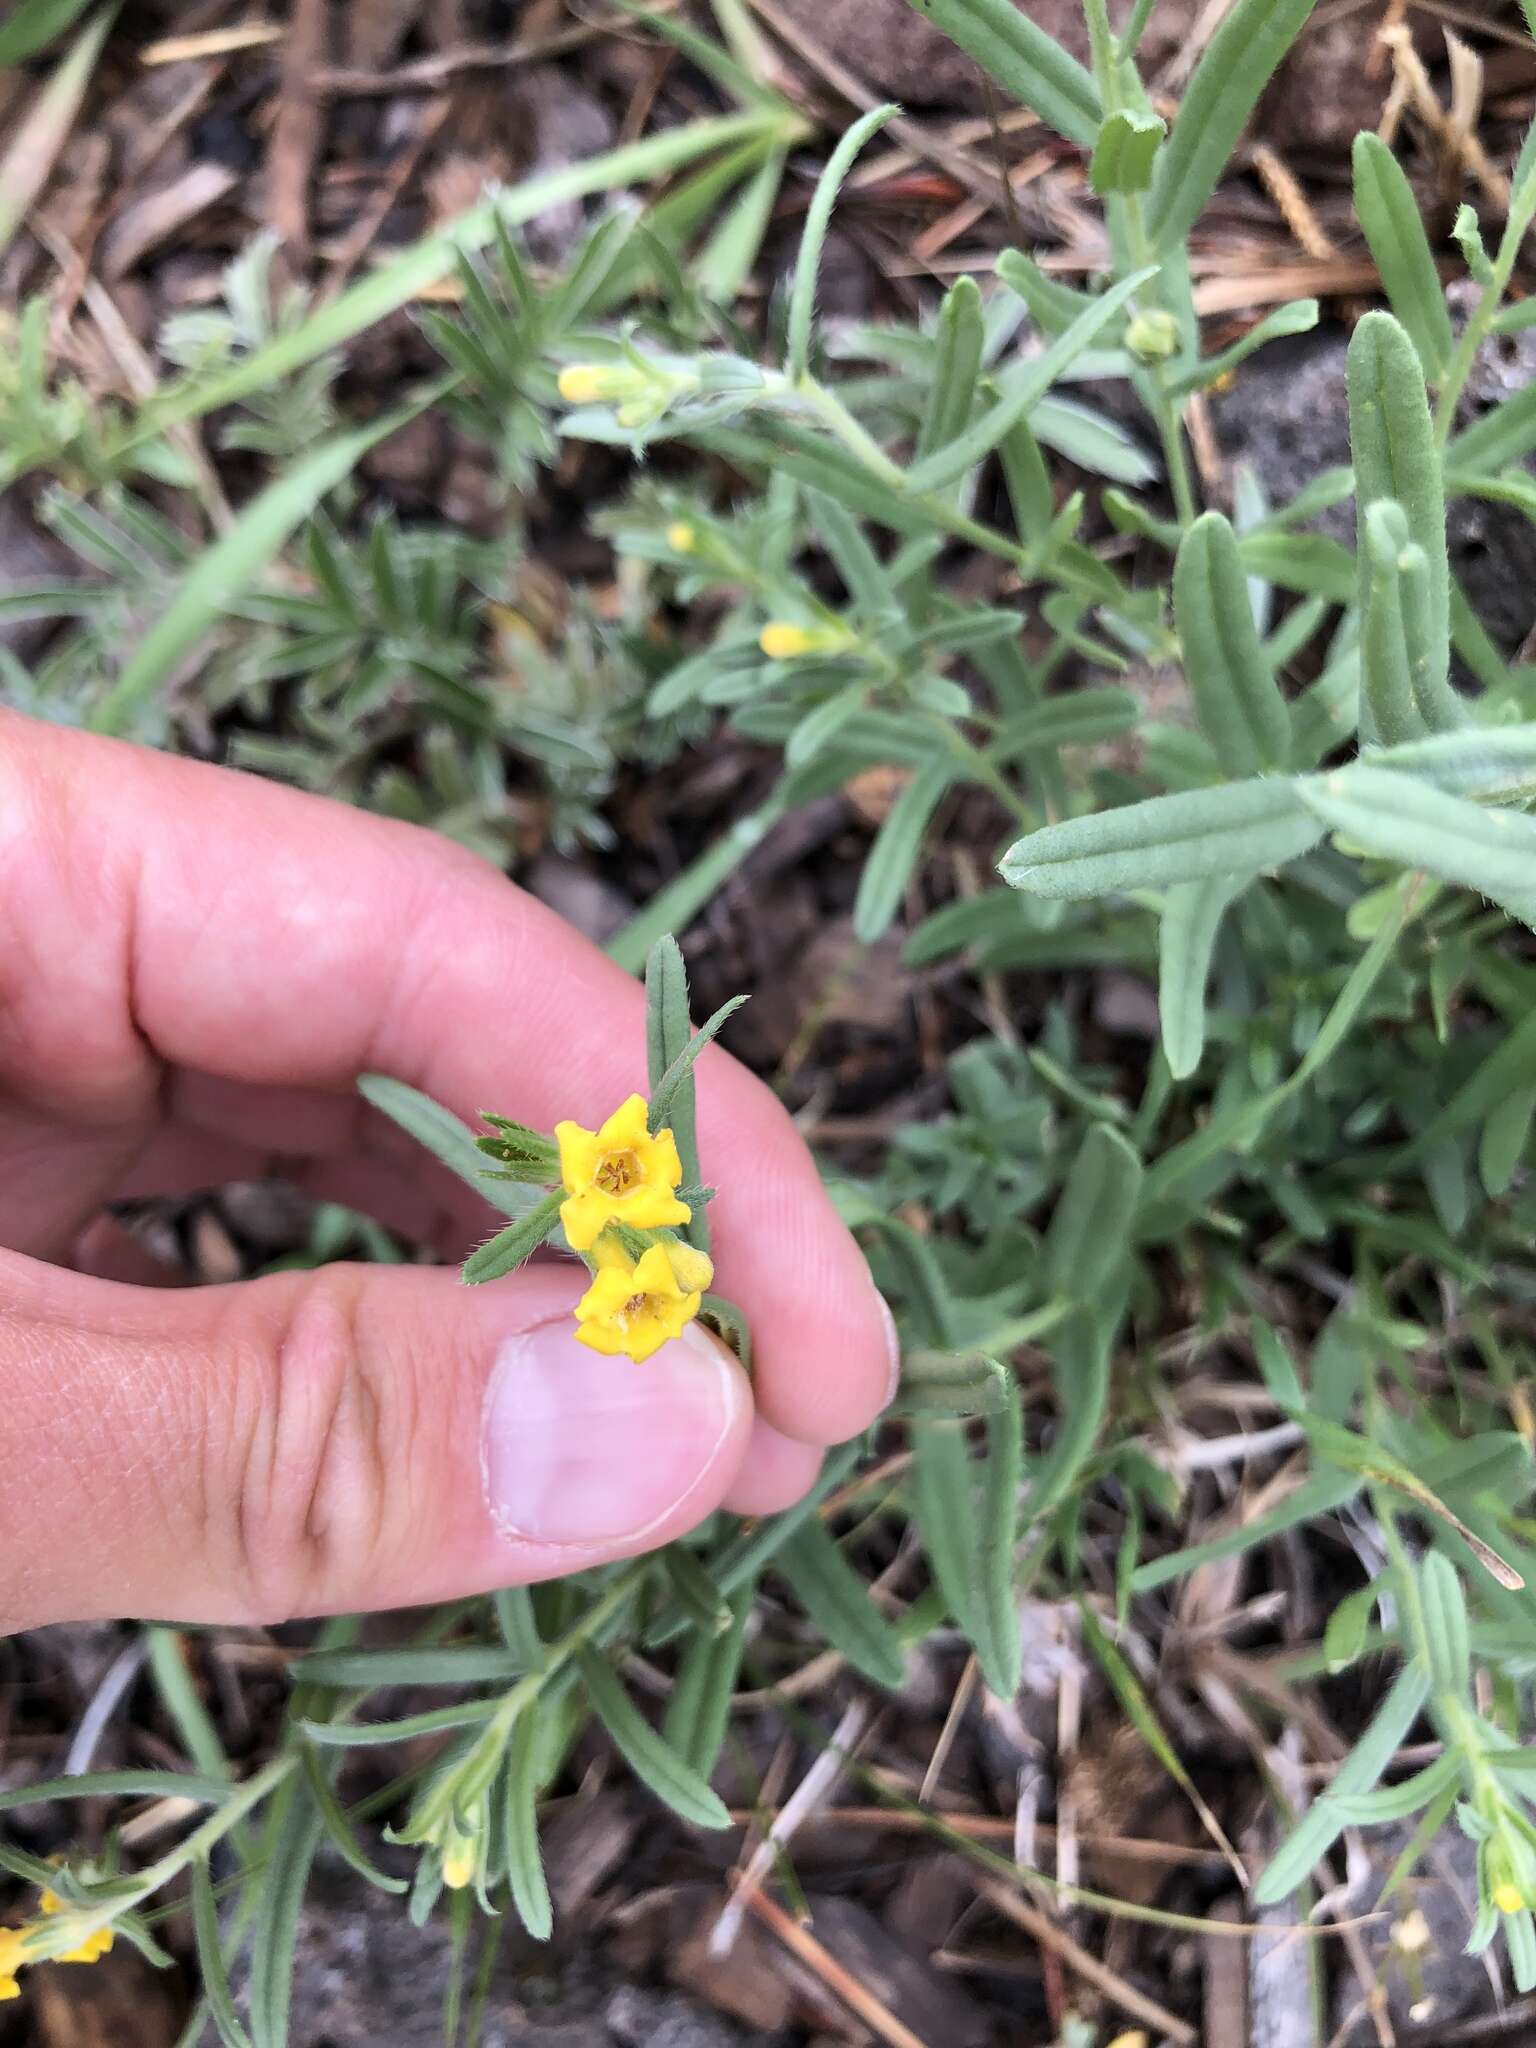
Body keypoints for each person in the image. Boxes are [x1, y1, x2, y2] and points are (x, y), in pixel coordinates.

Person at [0, 710, 896, 1635]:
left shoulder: (650, 1239)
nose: (624, 1177)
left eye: (626, 1174)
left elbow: (662, 1246)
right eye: (616, 1174)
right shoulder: (617, 1225)